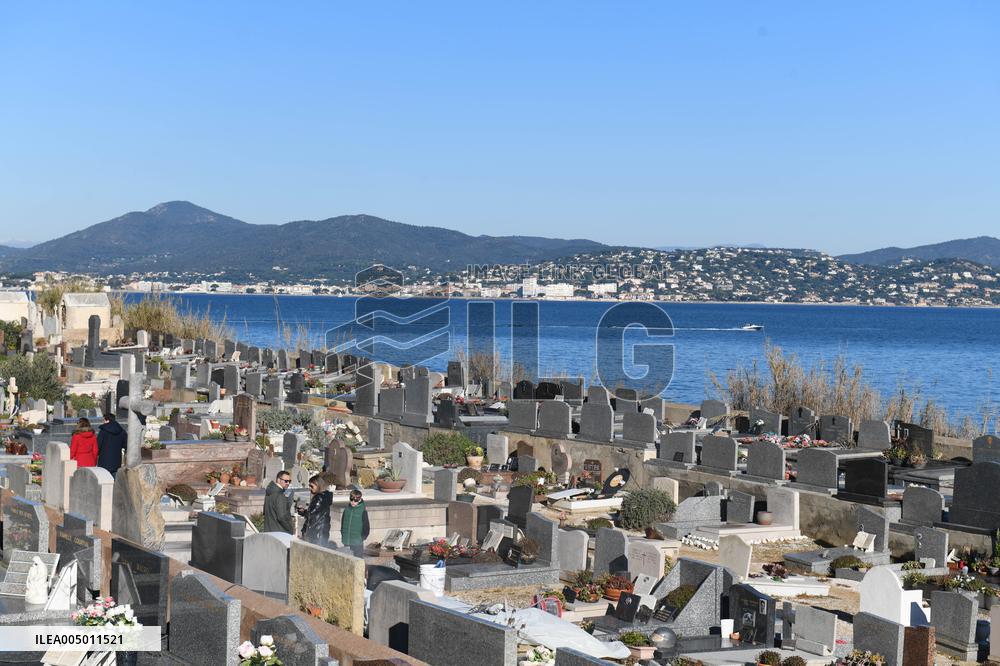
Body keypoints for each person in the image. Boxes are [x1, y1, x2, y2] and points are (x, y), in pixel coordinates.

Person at [296, 474, 332, 545]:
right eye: (309, 486)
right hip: (321, 531)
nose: (310, 488)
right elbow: (315, 514)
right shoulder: (325, 496)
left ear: (318, 485)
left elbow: (311, 514)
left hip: (316, 532)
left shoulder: (319, 498)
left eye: (312, 486)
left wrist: (302, 512)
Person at [340, 488, 370, 558]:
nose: (353, 502)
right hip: (347, 540)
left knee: (358, 560)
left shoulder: (363, 511)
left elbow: (366, 526)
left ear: (359, 500)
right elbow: (343, 522)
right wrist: (342, 533)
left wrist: (362, 538)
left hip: (357, 541)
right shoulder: (347, 509)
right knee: (347, 560)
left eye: (356, 500)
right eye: (351, 499)